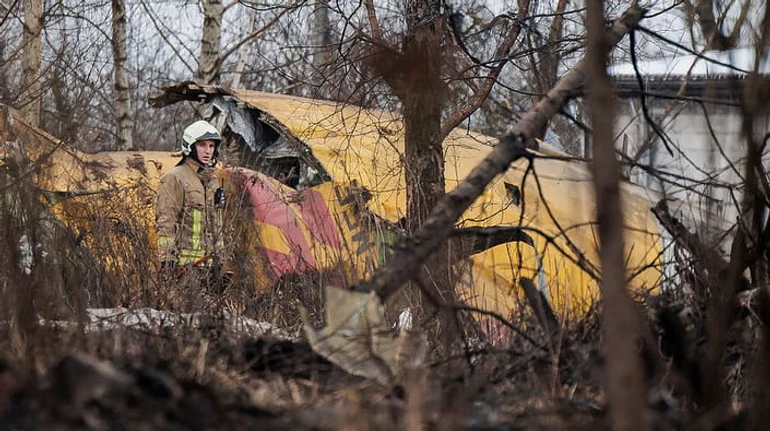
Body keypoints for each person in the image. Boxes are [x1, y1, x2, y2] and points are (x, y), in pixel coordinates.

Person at [155, 120, 227, 302]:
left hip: (210, 267)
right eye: (202, 145)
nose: (208, 150)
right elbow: (166, 221)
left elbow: (216, 224)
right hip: (184, 268)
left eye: (211, 146)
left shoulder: (212, 181)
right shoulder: (174, 178)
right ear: (190, 146)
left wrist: (220, 260)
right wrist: (167, 260)